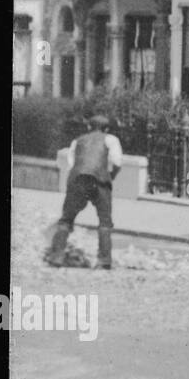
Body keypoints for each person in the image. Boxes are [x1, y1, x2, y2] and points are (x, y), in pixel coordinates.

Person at [47, 114, 122, 270]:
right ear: (107, 129)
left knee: (66, 219)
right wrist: (111, 176)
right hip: (100, 181)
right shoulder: (111, 140)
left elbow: (71, 164)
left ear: (88, 127)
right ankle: (104, 260)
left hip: (78, 180)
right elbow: (117, 162)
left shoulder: (77, 141)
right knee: (105, 221)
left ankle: (56, 256)